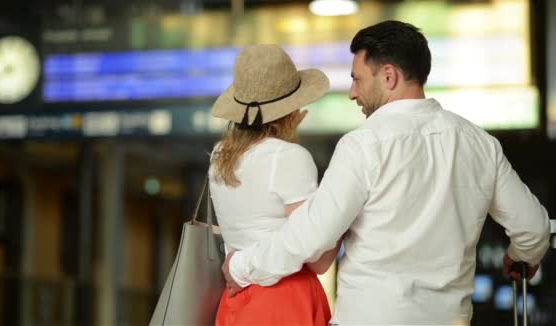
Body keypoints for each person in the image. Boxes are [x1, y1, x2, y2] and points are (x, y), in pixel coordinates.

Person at [222, 20, 552, 325]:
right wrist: (521, 256)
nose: (352, 92)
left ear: (389, 76)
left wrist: (240, 266)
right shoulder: (480, 144)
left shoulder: (363, 145)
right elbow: (534, 228)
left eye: (357, 79)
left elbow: (311, 237)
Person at [209, 44, 340, 325]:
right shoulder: (288, 157)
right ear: (291, 109)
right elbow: (318, 258)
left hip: (236, 300)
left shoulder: (219, 157)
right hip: (286, 302)